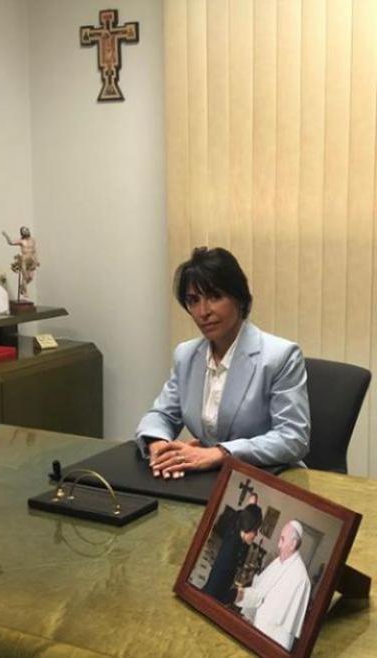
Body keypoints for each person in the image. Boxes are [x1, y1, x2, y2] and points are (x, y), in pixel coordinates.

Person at [135, 247, 310, 478]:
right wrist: (158, 444)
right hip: (208, 476)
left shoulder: (280, 356)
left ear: (239, 298)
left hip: (270, 478)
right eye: (193, 300)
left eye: (215, 297)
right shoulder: (186, 355)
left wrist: (219, 453)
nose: (202, 311)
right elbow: (162, 414)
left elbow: (292, 438)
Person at [235, 520, 311, 650]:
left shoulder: (301, 579)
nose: (278, 544)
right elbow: (260, 594)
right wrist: (238, 594)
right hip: (255, 630)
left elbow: (286, 631)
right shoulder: (278, 561)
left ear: (293, 544)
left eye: (282, 539)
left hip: (269, 642)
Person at [202, 502, 263, 604]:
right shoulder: (231, 554)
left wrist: (251, 507)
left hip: (206, 590)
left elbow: (239, 514)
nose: (256, 534)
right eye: (255, 530)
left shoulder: (234, 532)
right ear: (248, 526)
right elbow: (216, 597)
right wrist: (237, 594)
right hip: (208, 601)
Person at [2, 227, 40, 298]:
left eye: (27, 230)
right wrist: (6, 235)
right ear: (22, 233)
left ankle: (22, 287)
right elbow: (11, 242)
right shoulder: (21, 241)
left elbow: (34, 251)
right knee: (25, 276)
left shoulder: (33, 240)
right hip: (24, 259)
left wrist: (36, 260)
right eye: (24, 231)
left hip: (31, 259)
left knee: (31, 277)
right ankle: (25, 292)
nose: (26, 232)